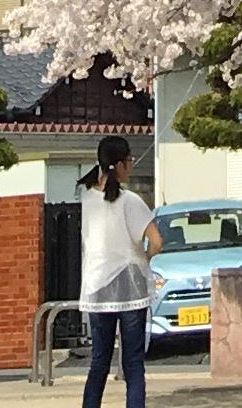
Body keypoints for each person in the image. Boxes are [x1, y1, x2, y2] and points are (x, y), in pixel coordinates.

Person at [78, 136, 160, 408]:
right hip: (130, 287)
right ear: (123, 164)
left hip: (97, 287)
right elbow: (156, 241)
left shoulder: (87, 199)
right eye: (129, 160)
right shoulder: (131, 201)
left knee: (99, 361)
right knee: (133, 363)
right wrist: (143, 257)